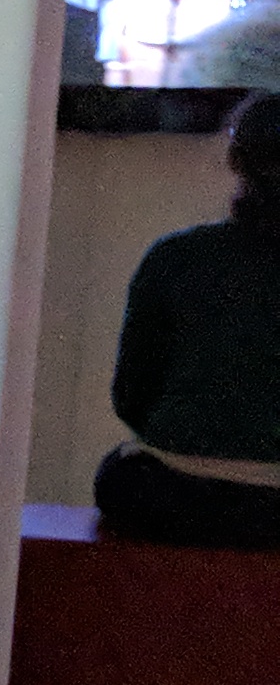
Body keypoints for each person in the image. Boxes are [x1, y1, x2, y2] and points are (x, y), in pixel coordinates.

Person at [96, 88, 280, 550]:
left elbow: (132, 398)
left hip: (177, 494)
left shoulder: (175, 256)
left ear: (237, 161)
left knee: (120, 474)